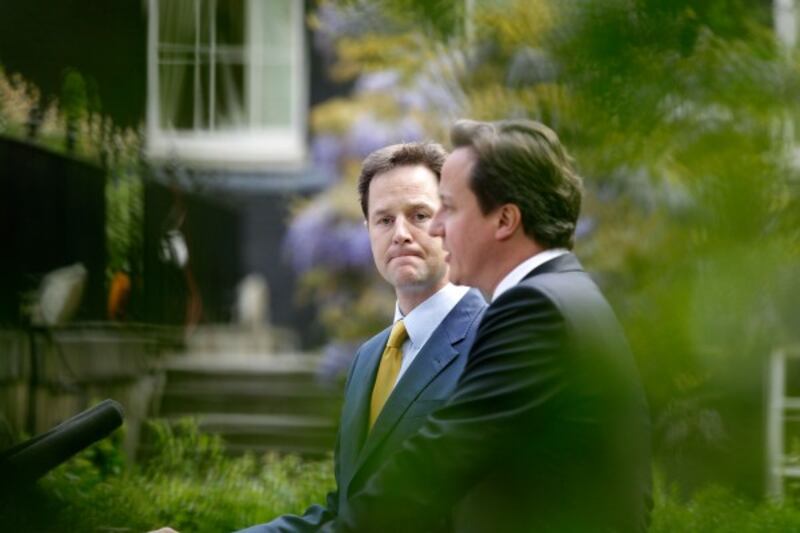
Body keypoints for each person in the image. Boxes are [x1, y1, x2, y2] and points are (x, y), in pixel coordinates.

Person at [149, 142, 487, 533]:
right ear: (368, 231)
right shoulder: (368, 359)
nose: (400, 234)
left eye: (419, 215)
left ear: (451, 218)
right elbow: (343, 513)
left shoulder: (492, 341)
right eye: (383, 220)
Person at [336, 119, 652, 533]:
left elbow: (436, 466)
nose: (434, 228)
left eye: (446, 209)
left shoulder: (534, 310)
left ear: (504, 220)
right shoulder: (564, 293)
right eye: (383, 220)